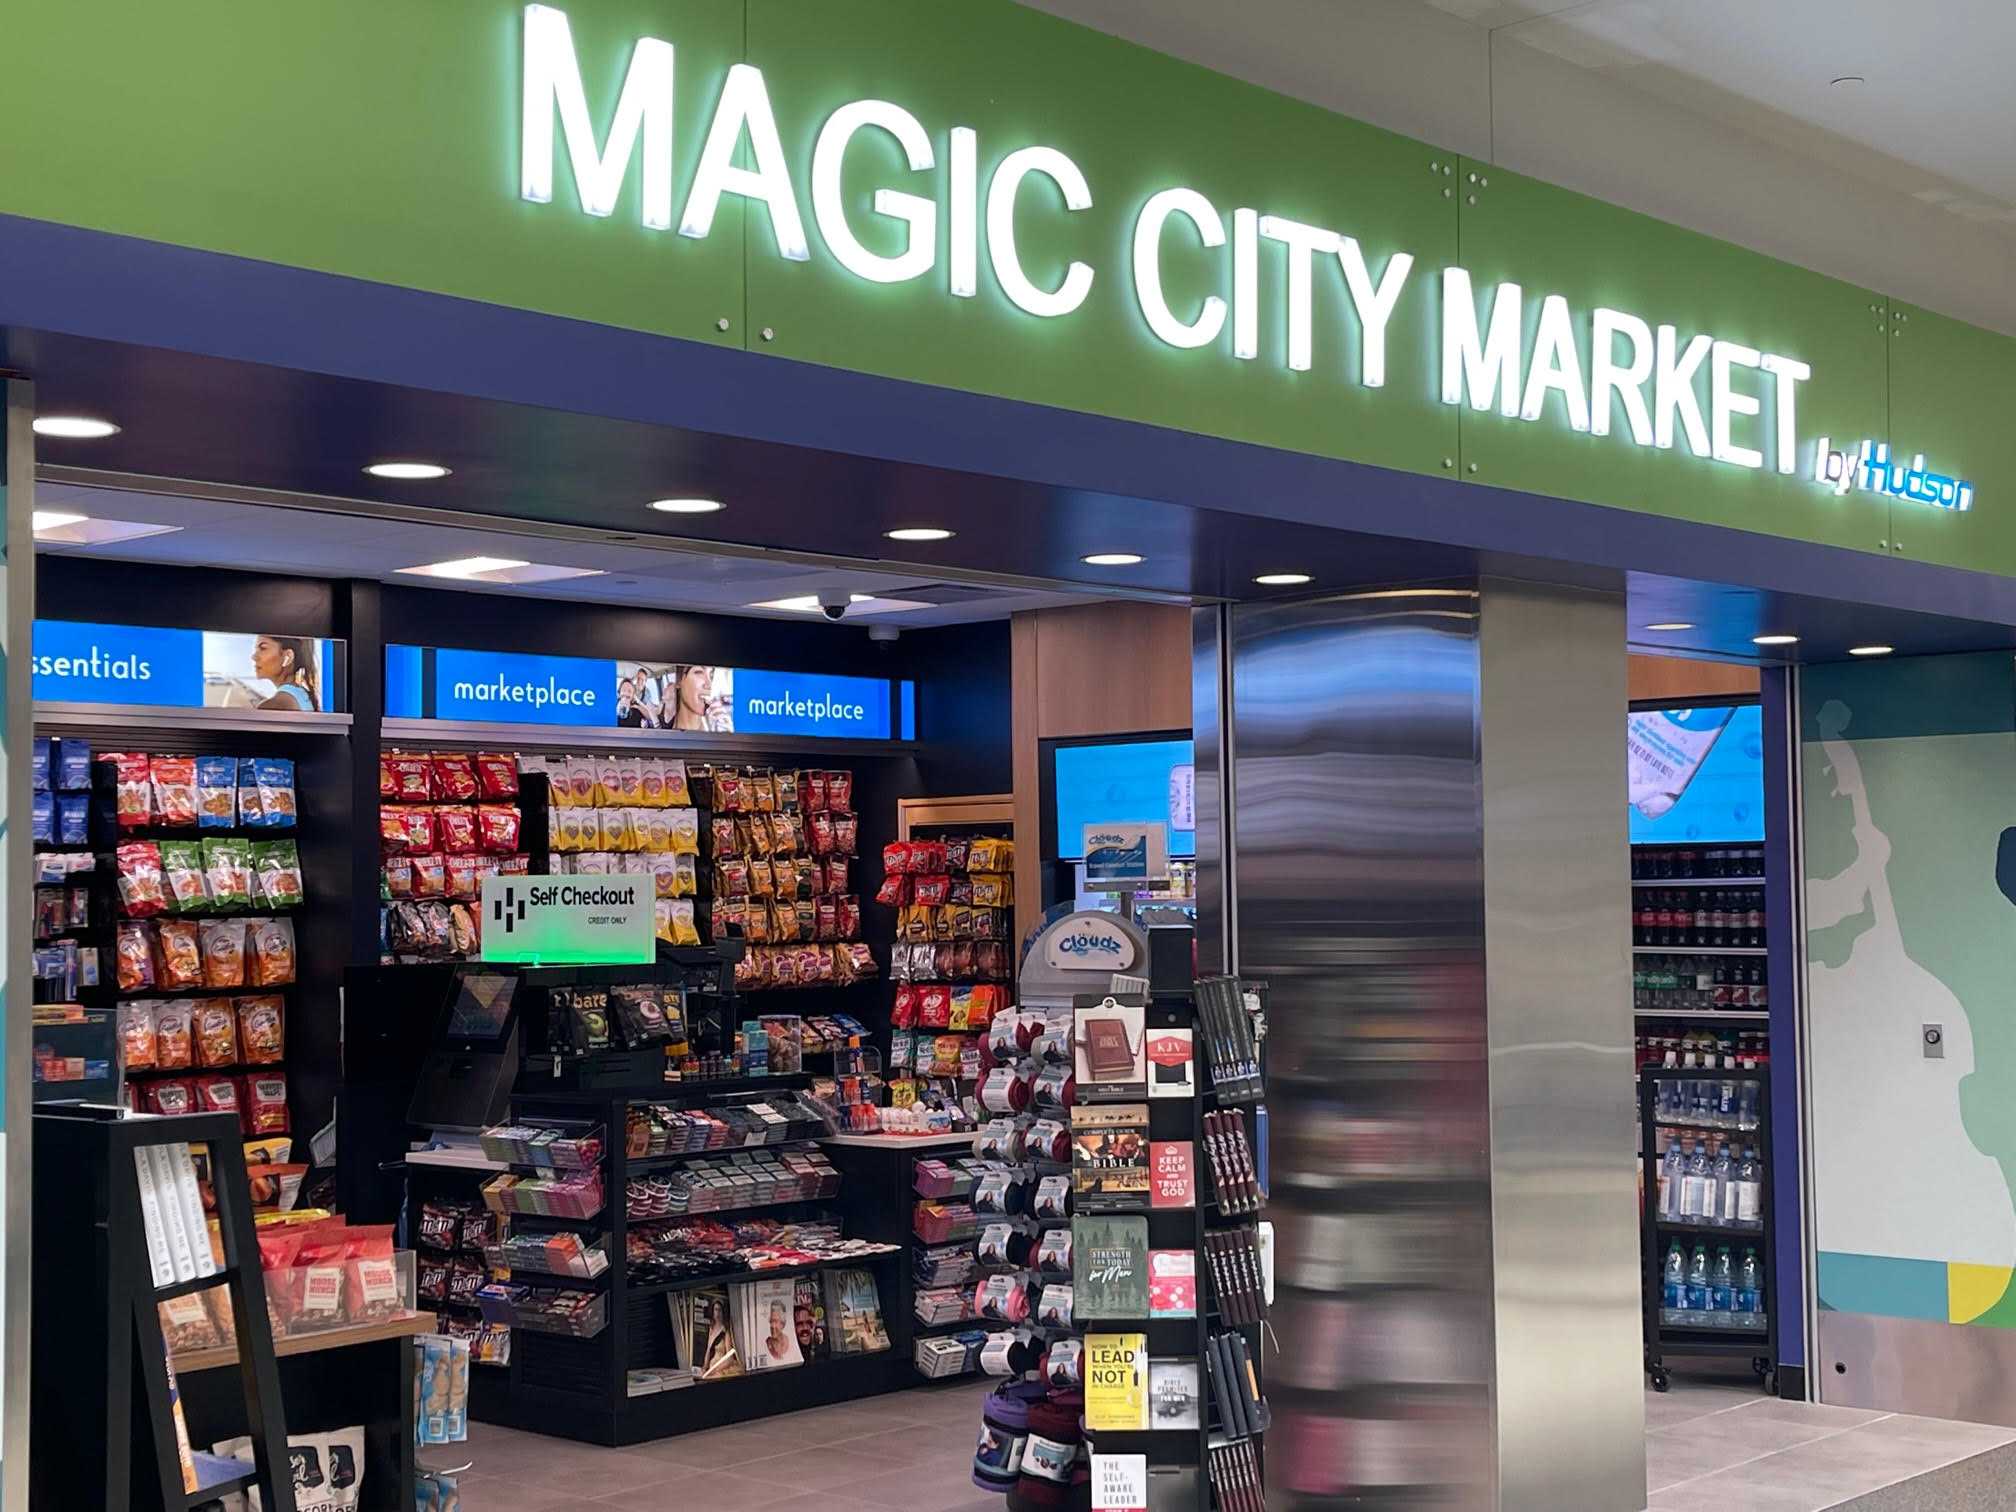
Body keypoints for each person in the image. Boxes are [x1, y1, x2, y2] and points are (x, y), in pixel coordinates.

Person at [252, 635, 319, 712]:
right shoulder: (302, 694)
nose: (254, 657)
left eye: (263, 648)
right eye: (256, 649)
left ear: (288, 657)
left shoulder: (274, 705)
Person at [668, 664, 719, 731]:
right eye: (699, 672)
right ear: (679, 680)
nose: (709, 685)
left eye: (711, 675)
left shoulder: (714, 726)